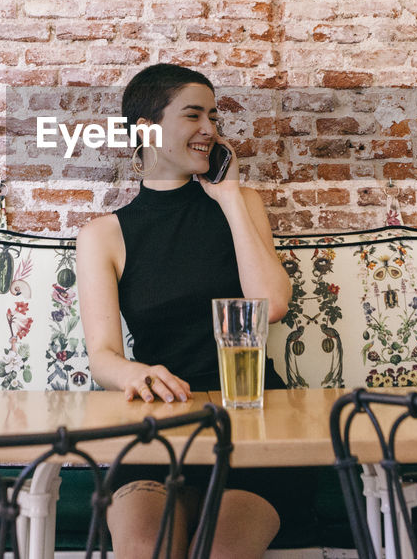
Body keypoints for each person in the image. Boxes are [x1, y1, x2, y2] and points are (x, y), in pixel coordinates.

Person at [76, 63, 293, 559]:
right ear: (147, 129)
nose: (211, 129)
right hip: (161, 423)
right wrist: (135, 372)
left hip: (253, 419)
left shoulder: (243, 203)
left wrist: (229, 197)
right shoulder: (103, 236)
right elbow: (103, 354)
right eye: (193, 115)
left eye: (213, 116)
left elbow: (272, 305)